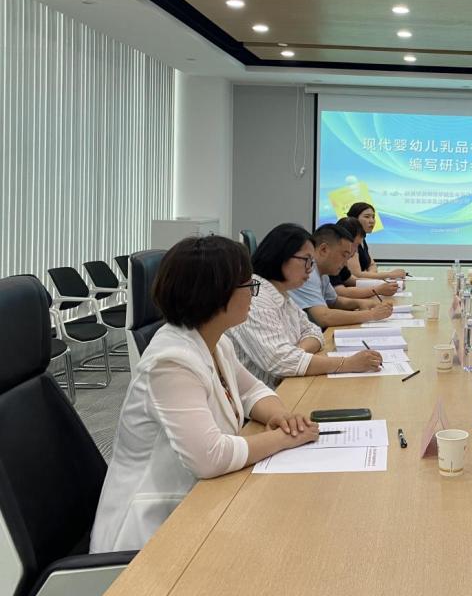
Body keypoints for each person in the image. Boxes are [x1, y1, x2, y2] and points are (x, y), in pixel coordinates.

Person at [91, 236, 320, 553]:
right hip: (150, 531)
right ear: (216, 294)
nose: (252, 294)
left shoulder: (216, 341)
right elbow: (209, 457)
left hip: (199, 501)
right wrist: (284, 438)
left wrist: (281, 416)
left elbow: (252, 390)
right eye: (247, 286)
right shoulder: (171, 361)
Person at [227, 223, 382, 387]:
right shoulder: (256, 297)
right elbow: (281, 362)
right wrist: (347, 363)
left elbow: (314, 331)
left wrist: (296, 353)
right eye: (306, 260)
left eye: (312, 261)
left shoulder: (282, 294)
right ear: (281, 256)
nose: (310, 268)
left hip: (286, 385)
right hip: (268, 394)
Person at [291, 223, 395, 328]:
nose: (345, 263)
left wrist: (361, 303)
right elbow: (324, 317)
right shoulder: (308, 272)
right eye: (344, 255)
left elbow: (334, 301)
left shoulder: (322, 273)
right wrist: (371, 314)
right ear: (324, 249)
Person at [329, 216, 400, 299]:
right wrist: (377, 289)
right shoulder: (331, 262)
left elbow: (351, 280)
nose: (355, 251)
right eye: (356, 245)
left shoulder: (341, 260)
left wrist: (383, 284)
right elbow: (341, 292)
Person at [346, 202, 407, 280]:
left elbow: (372, 265)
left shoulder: (362, 240)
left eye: (373, 217)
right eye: (367, 217)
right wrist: (391, 274)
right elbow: (357, 275)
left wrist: (369, 275)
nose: (372, 221)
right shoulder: (350, 240)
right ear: (354, 219)